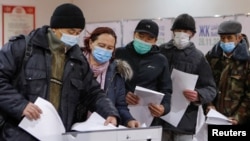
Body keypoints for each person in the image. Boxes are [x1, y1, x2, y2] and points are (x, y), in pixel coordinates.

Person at [0, 3, 120, 140]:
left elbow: (93, 92)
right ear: (55, 27)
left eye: (78, 33)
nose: (74, 36)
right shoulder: (22, 48)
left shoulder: (78, 59)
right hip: (19, 134)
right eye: (71, 31)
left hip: (58, 135)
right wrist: (20, 105)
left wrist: (110, 112)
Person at [159, 13, 216, 141]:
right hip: (159, 117)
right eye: (178, 30)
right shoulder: (161, 52)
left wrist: (198, 95)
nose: (181, 34)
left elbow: (210, 88)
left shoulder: (198, 57)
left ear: (193, 34)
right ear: (173, 32)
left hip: (185, 121)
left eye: (185, 31)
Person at [115, 19, 173, 130]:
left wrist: (164, 108)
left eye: (149, 38)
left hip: (148, 118)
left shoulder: (161, 60)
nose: (144, 41)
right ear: (134, 34)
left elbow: (166, 89)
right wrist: (123, 94)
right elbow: (109, 82)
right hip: (120, 115)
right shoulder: (119, 53)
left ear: (155, 40)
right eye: (140, 36)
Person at [81, 26, 140, 128]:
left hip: (103, 127)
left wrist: (129, 120)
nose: (105, 50)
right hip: (76, 127)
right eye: (101, 45)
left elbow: (120, 105)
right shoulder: (75, 65)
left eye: (109, 48)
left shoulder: (116, 72)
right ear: (91, 43)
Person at [205, 20, 250, 126]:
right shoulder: (211, 58)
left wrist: (238, 117)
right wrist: (209, 104)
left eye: (229, 38)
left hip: (237, 121)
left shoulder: (247, 62)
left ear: (239, 38)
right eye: (222, 38)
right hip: (213, 119)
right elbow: (205, 83)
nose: (225, 41)